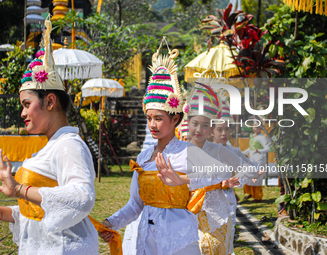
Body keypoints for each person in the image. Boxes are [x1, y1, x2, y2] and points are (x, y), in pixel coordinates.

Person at [98, 49, 234, 255]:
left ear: (175, 119)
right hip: (147, 240)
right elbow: (135, 205)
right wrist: (110, 222)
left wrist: (182, 179)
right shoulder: (143, 158)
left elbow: (223, 172)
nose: (152, 124)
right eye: (149, 118)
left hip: (180, 242)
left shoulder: (186, 151)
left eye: (159, 118)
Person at [0, 18, 98, 254]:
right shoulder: (51, 146)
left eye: (27, 104)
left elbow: (82, 197)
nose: (22, 113)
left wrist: (19, 189)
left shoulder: (69, 145)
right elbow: (39, 212)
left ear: (50, 101)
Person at [187, 83, 259, 255]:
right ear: (187, 122)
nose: (199, 130)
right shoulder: (179, 151)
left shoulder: (218, 150)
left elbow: (249, 170)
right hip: (185, 214)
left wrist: (234, 181)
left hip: (215, 214)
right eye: (195, 123)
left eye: (205, 125)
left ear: (210, 129)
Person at [212, 98, 257, 255]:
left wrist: (237, 180)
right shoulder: (204, 151)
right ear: (211, 131)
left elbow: (252, 168)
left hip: (227, 200)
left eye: (227, 129)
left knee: (227, 237)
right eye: (219, 129)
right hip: (206, 202)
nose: (224, 133)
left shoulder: (234, 152)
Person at [242, 125, 271, 201]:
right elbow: (251, 148)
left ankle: (258, 196)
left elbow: (268, 148)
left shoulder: (262, 137)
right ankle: (251, 193)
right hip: (252, 159)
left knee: (257, 177)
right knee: (249, 176)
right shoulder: (253, 136)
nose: (254, 128)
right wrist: (243, 153)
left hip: (259, 160)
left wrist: (259, 151)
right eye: (254, 127)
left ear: (261, 128)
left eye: (257, 127)